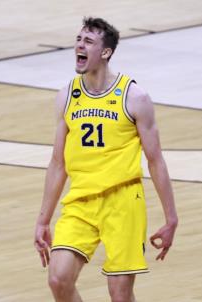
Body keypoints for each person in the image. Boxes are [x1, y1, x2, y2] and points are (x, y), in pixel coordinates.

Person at [34, 17, 178, 302]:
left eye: (88, 41)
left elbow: (156, 160)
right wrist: (43, 219)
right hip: (80, 202)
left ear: (106, 52)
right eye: (78, 39)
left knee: (120, 294)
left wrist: (171, 217)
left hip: (123, 202)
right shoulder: (67, 96)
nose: (79, 45)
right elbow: (57, 163)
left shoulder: (134, 96)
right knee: (58, 279)